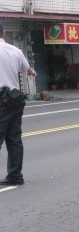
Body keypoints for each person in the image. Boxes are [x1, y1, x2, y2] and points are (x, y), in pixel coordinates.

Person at [0, 21, 37, 185]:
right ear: (4, 32)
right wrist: (32, 72)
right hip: (15, 98)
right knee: (14, 139)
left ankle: (14, 176)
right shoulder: (15, 50)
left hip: (1, 99)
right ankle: (15, 176)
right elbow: (29, 70)